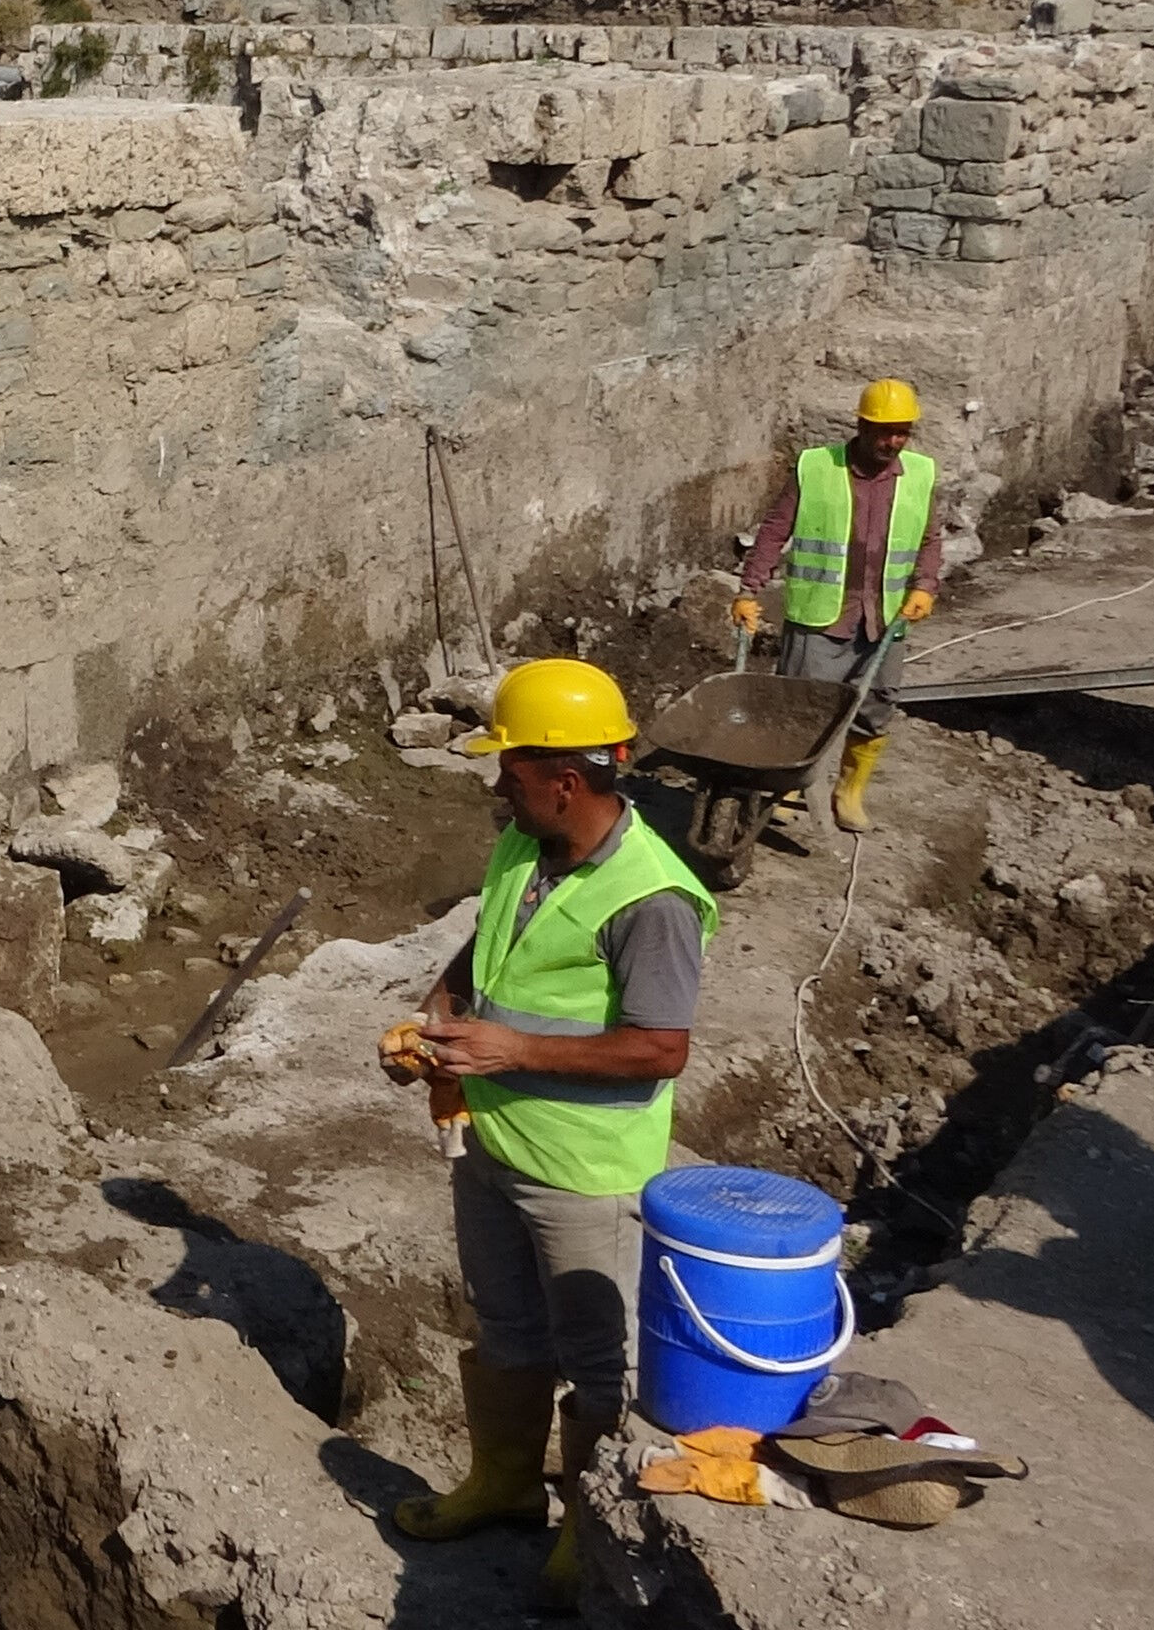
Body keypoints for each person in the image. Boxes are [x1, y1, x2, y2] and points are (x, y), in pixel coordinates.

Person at [388, 657, 717, 1604]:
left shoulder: (651, 900)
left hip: (585, 1171)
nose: (499, 786)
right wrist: (438, 1012)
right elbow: (487, 942)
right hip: (493, 1142)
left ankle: (590, 1525)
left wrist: (510, 1050)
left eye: (512, 771)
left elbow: (661, 1049)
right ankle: (501, 1482)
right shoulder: (525, 847)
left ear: (565, 780)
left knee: (597, 1365)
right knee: (506, 1327)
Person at [733, 378, 940, 832]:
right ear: (861, 426)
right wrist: (750, 589)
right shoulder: (816, 467)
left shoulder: (921, 474)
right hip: (821, 614)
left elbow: (929, 537)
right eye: (884, 432)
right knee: (799, 705)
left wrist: (925, 584)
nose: (893, 442)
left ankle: (849, 793)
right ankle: (782, 788)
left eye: (902, 432)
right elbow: (774, 531)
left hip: (884, 617)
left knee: (878, 704)